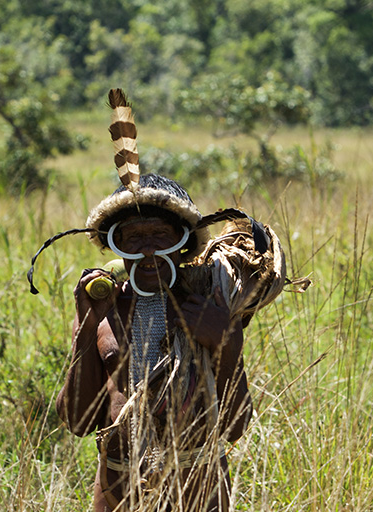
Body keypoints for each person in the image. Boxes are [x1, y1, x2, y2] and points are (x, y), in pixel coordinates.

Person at [27, 90, 304, 511]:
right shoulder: (106, 311)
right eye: (134, 238)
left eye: (161, 235)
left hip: (199, 485)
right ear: (116, 248)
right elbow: (78, 421)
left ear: (185, 245)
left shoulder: (209, 305)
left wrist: (225, 340)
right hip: (118, 488)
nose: (150, 250)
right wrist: (86, 327)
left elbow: (233, 428)